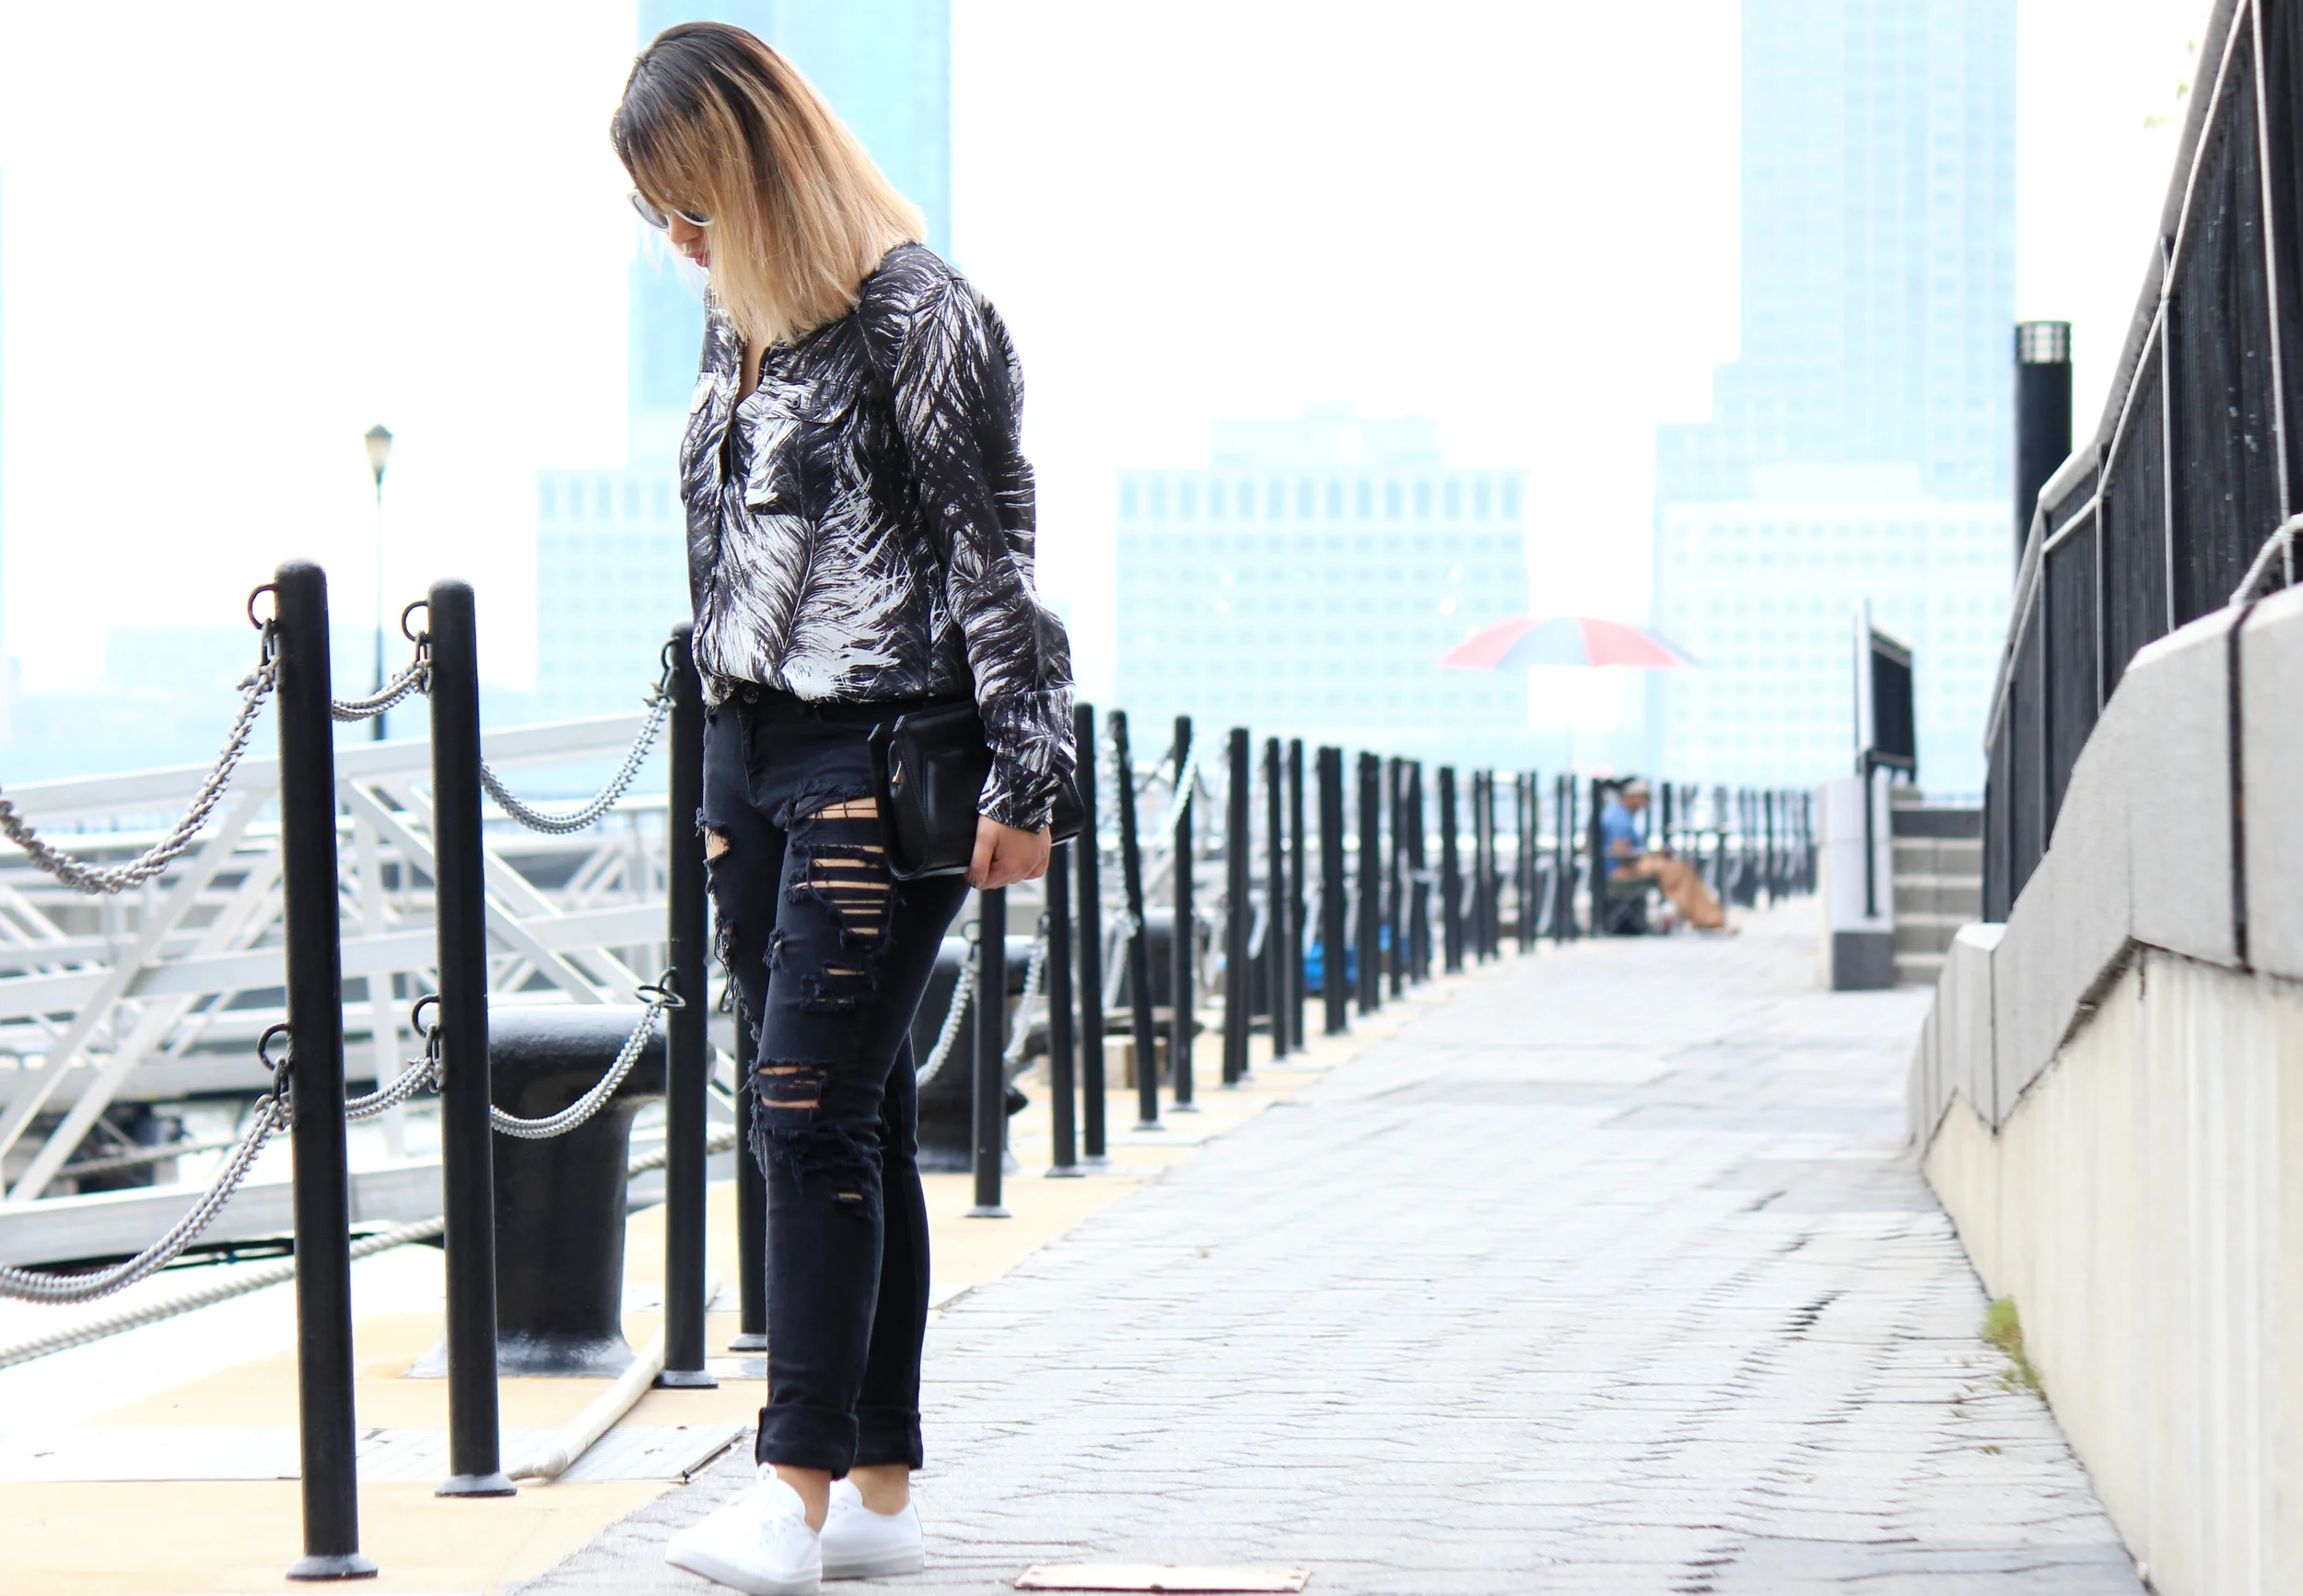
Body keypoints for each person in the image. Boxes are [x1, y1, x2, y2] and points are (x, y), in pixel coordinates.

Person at [612, 23, 1074, 1594]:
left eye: (691, 204)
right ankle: (877, 1487)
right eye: (656, 216)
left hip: (882, 758)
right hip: (751, 757)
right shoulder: (737, 322)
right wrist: (717, 773)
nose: (678, 240)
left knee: (804, 1111)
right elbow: (729, 566)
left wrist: (1030, 773)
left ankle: (788, 1490)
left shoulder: (920, 313)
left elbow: (992, 554)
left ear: (757, 171)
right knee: (848, 1110)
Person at [1600, 779, 1726, 931]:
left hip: (1623, 868)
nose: (1645, 803)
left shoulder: (1617, 814)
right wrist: (1650, 856)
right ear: (1631, 797)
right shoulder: (1618, 818)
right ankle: (1708, 919)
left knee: (1678, 869)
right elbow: (1622, 853)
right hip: (1619, 872)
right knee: (1677, 871)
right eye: (1643, 797)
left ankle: (1708, 918)